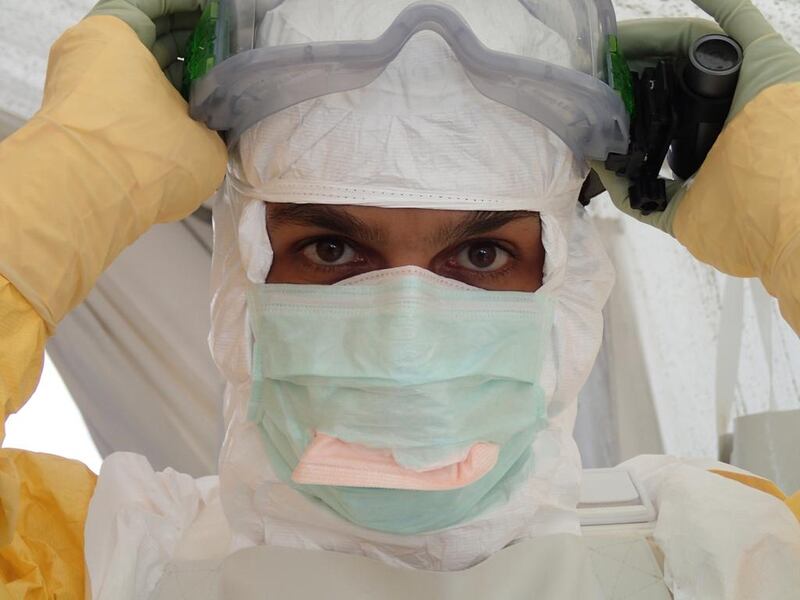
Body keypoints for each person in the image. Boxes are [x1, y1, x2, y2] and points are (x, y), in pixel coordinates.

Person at [0, 0, 798, 598]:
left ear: (569, 281)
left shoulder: (719, 557)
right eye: (333, 249)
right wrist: (74, 179)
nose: (405, 338)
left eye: (481, 254)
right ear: (242, 274)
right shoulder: (99, 560)